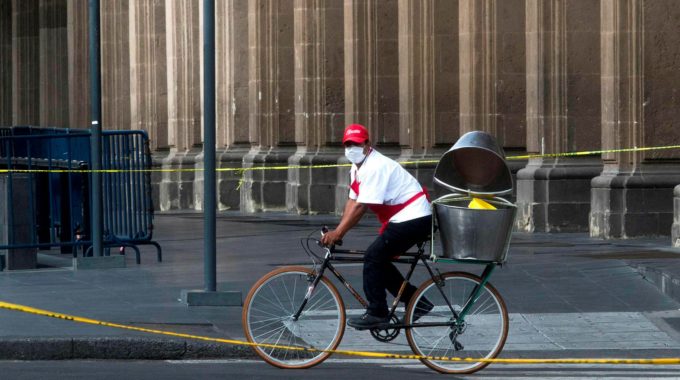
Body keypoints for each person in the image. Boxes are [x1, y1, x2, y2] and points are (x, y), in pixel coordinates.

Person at [321, 123, 433, 329]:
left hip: (415, 218)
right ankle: (417, 300)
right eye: (347, 144)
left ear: (367, 144)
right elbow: (352, 201)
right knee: (379, 259)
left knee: (373, 256)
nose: (350, 148)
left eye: (355, 144)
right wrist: (337, 230)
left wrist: (339, 233)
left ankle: (377, 312)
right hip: (405, 217)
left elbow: (362, 207)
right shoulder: (357, 167)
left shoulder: (375, 167)